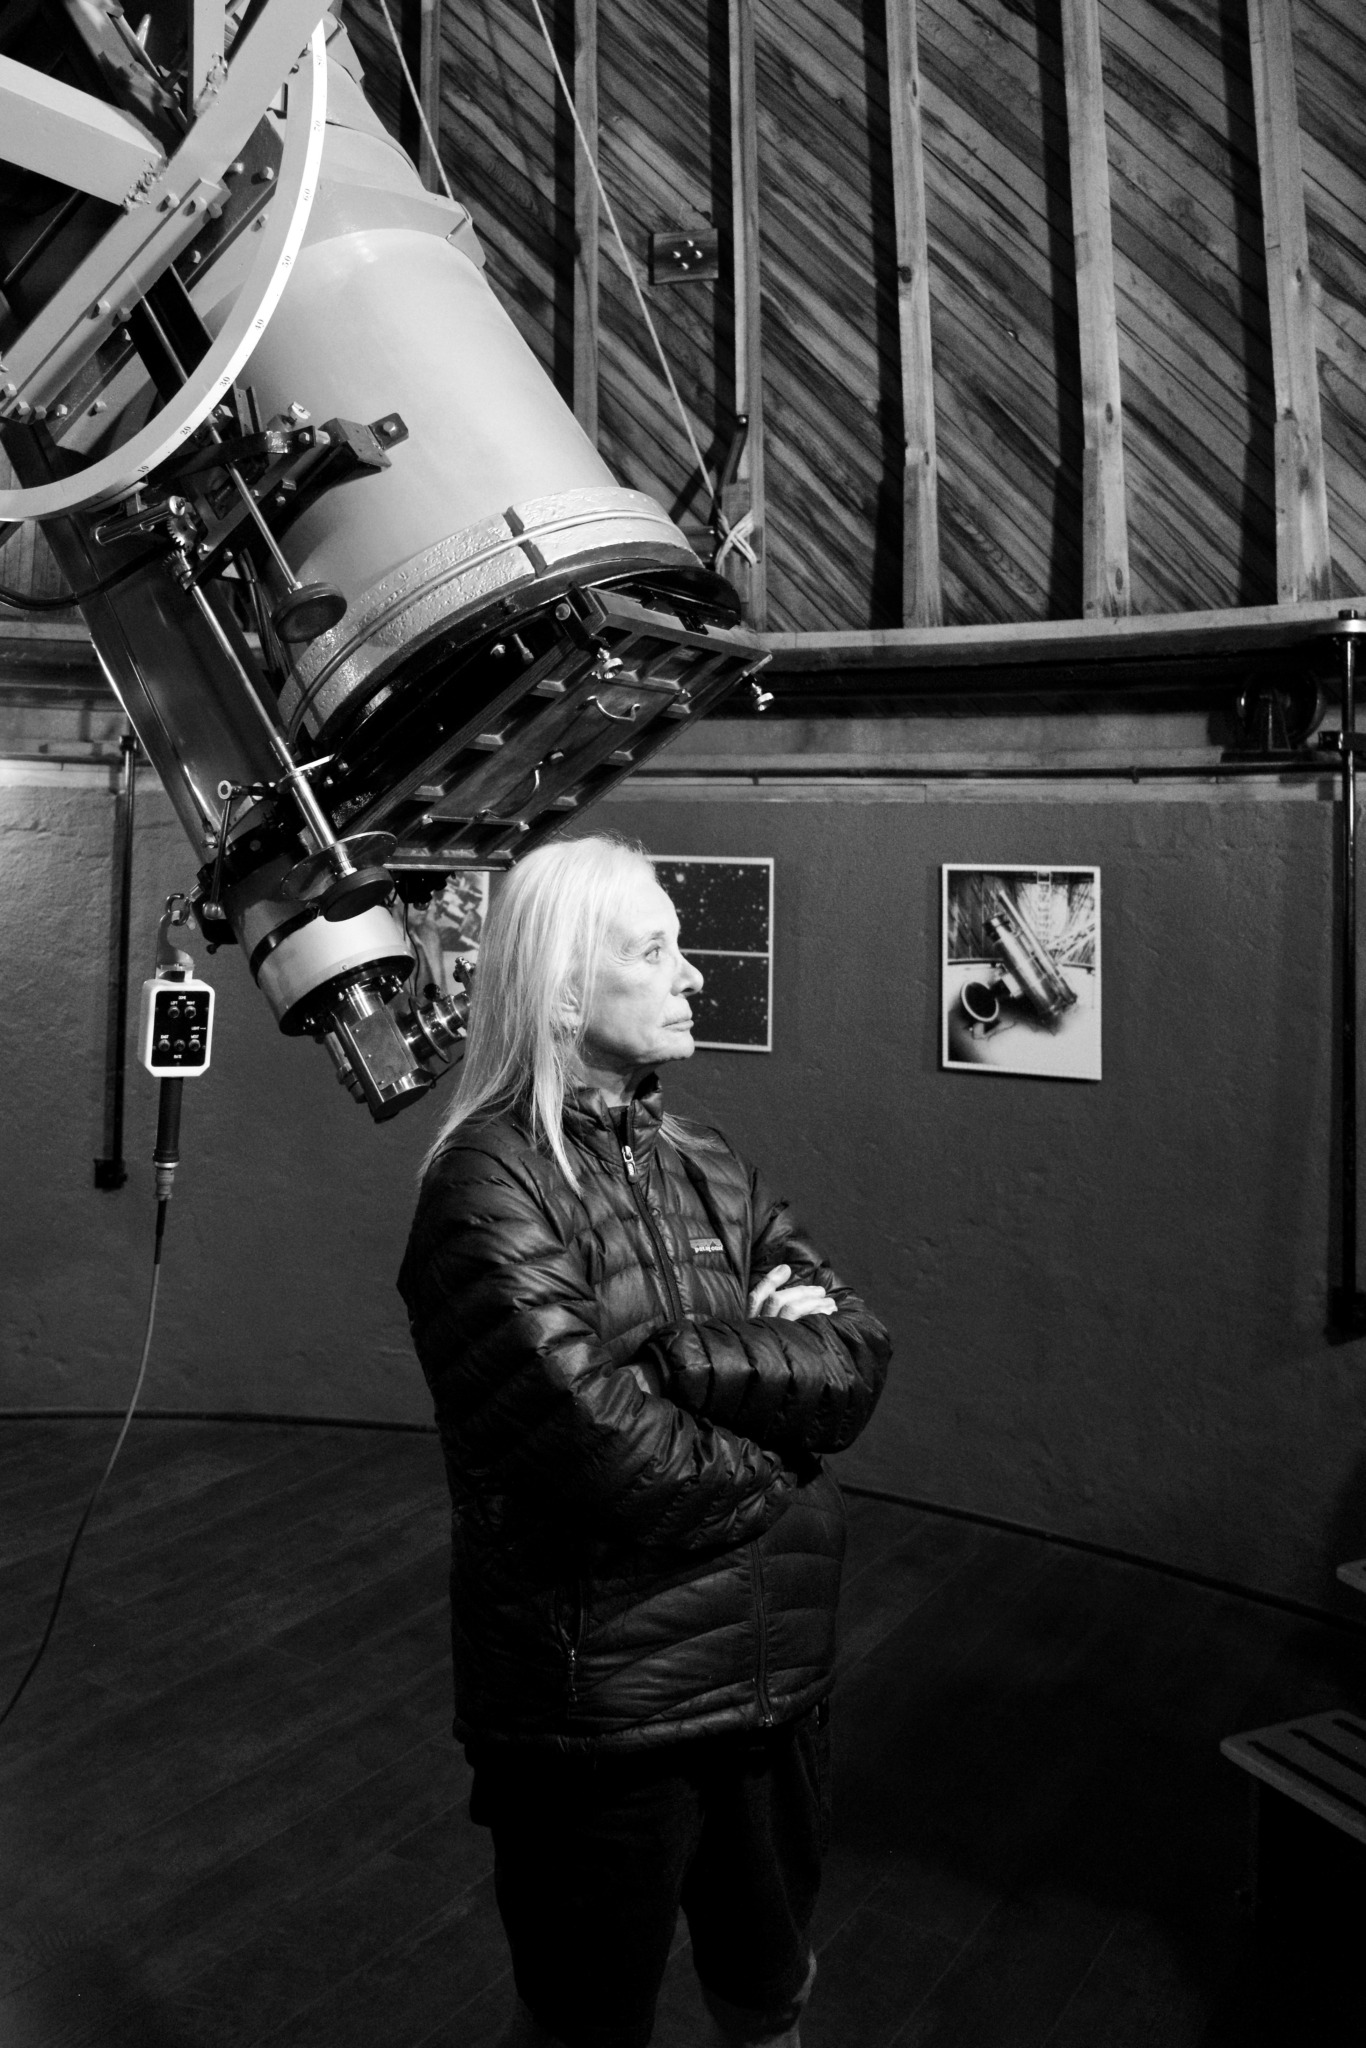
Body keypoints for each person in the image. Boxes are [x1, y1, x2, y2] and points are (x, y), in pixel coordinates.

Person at [398, 834, 890, 2048]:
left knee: (768, 1998)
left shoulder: (708, 1159)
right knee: (582, 2023)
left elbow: (854, 1354)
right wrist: (786, 1462)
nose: (692, 973)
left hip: (772, 1685)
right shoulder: (485, 1185)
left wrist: (681, 1364)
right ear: (564, 988)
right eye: (654, 949)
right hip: (601, 1717)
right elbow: (607, 1454)